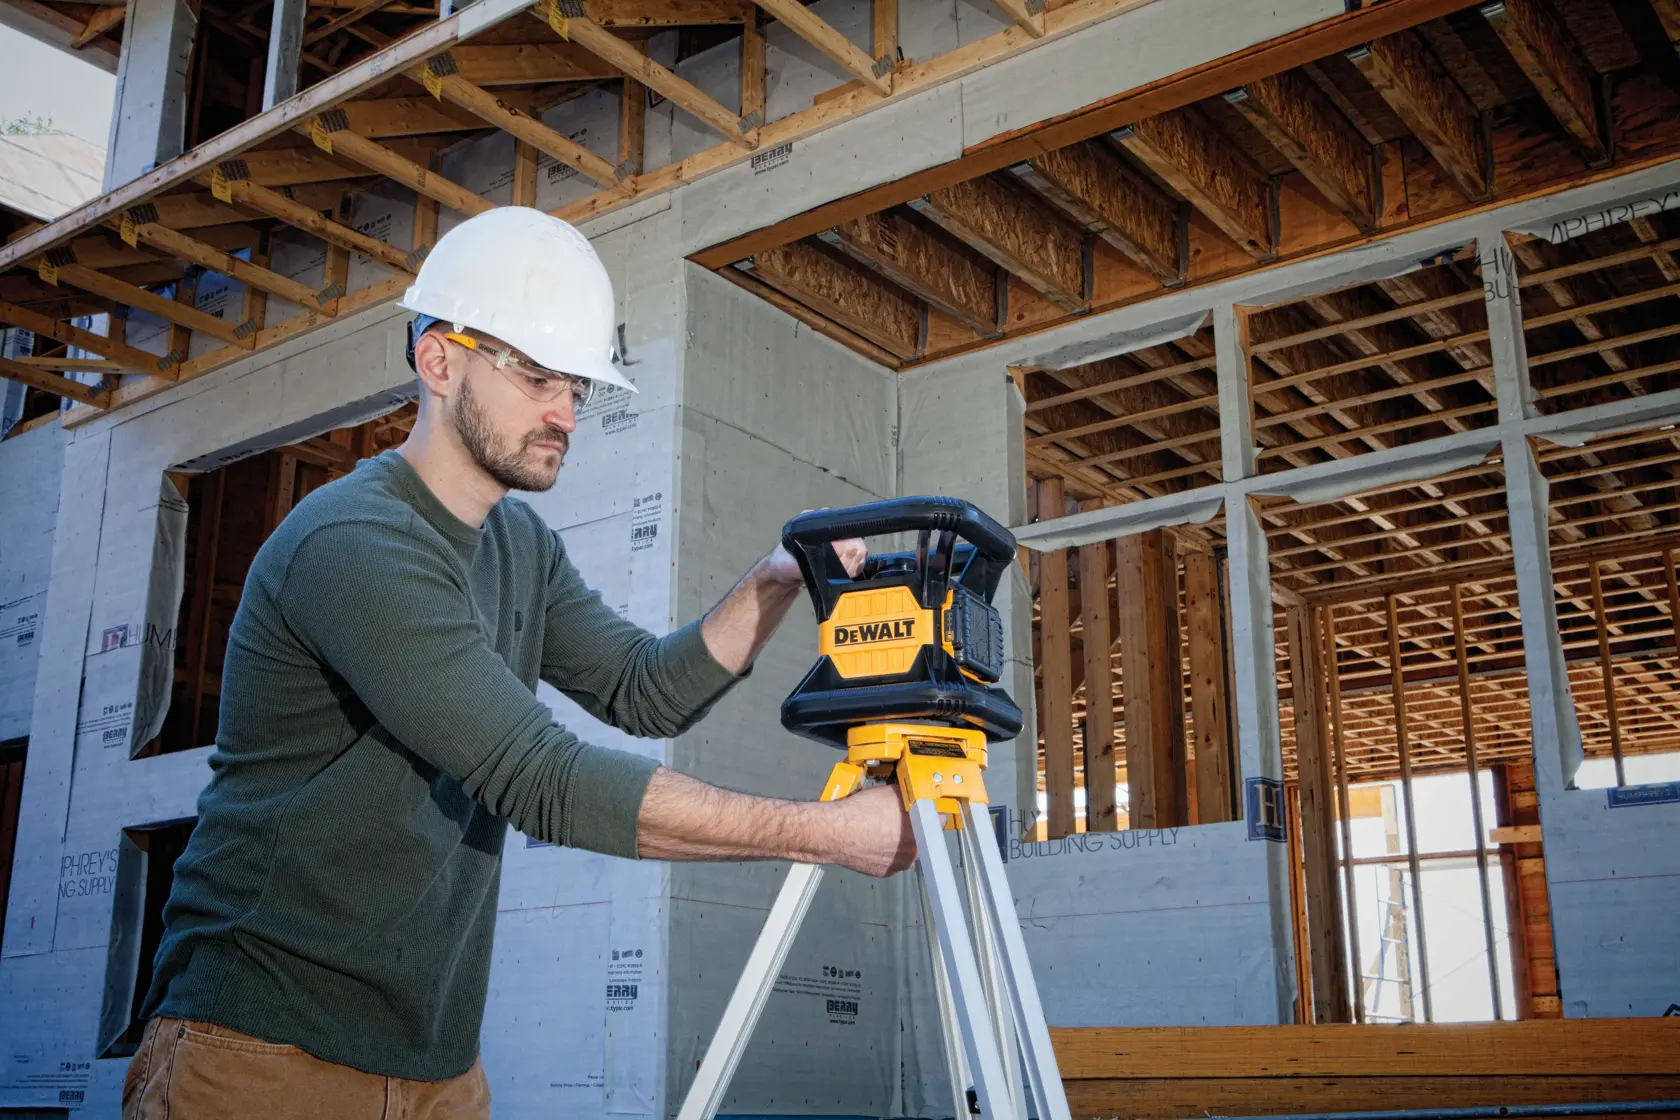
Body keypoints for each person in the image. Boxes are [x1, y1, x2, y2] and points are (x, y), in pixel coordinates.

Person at [122, 207, 916, 1120]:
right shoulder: (353, 543)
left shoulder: (519, 546)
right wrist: (832, 833)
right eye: (538, 376)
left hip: (435, 1066)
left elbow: (643, 689)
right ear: (439, 361)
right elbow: (538, 779)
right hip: (260, 1055)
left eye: (574, 384)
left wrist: (779, 577)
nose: (565, 412)